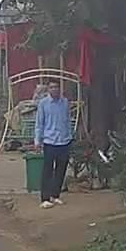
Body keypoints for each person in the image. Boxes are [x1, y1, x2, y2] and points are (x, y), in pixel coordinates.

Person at [32, 81, 73, 209]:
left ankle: (55, 195)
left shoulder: (64, 102)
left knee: (61, 170)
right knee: (47, 170)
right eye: (52, 87)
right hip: (49, 141)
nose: (54, 89)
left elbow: (67, 120)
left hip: (64, 141)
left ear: (60, 88)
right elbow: (39, 123)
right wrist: (37, 141)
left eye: (56, 87)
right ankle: (45, 198)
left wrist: (70, 136)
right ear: (48, 89)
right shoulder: (43, 103)